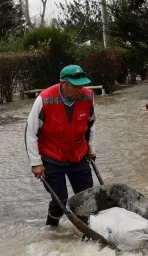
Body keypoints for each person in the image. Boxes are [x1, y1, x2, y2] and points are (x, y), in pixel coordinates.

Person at [25, 65, 96, 226]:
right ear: (64, 84)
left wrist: (91, 149)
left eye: (82, 85)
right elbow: (30, 132)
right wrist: (36, 163)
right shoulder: (44, 99)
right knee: (60, 201)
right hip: (52, 157)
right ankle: (51, 230)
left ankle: (88, 233)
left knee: (87, 198)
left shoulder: (88, 96)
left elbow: (91, 125)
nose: (80, 90)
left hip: (78, 155)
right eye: (75, 86)